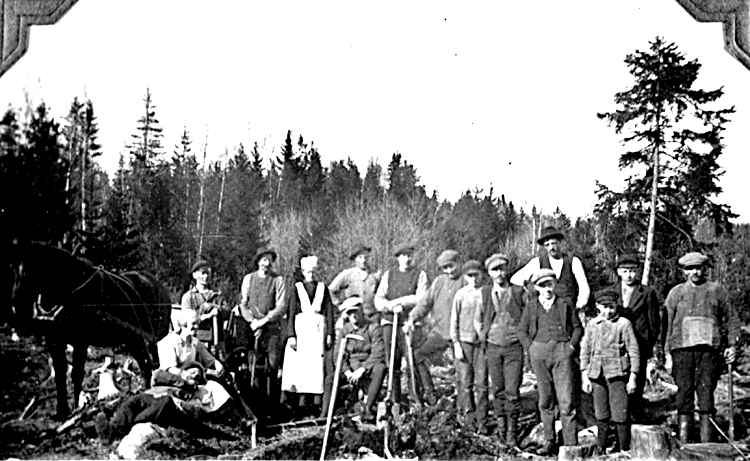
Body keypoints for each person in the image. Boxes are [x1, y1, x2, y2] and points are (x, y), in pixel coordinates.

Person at [664, 252, 740, 443]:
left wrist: (732, 345)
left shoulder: (717, 290)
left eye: (698, 268)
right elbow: (667, 325)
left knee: (706, 396)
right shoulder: (676, 293)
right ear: (684, 271)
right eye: (690, 269)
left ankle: (708, 444)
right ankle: (685, 443)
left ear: (704, 269)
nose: (695, 272)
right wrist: (667, 354)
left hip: (708, 353)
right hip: (682, 351)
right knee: (684, 396)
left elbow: (732, 319)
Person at [517, 268, 583, 456]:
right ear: (536, 288)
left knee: (566, 399)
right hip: (539, 353)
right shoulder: (531, 306)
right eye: (542, 285)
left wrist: (570, 347)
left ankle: (570, 443)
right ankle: (549, 440)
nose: (547, 289)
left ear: (555, 285)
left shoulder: (565, 303)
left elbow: (578, 328)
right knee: (545, 399)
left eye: (550, 284)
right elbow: (521, 330)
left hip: (562, 353)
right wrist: (531, 348)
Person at [474, 253, 526, 446]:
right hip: (493, 347)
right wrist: (483, 336)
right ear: (489, 273)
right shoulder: (485, 293)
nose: (499, 273)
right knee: (497, 390)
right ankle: (501, 428)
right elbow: (477, 319)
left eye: (502, 269)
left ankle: (512, 431)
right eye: (495, 270)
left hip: (514, 347)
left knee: (512, 390)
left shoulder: (518, 292)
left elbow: (528, 316)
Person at [403, 249, 466, 406]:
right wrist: (412, 319)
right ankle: (429, 392)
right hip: (440, 331)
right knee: (417, 355)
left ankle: (462, 405)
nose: (449, 271)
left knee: (462, 370)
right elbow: (425, 303)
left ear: (458, 263)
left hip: (460, 334)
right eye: (445, 268)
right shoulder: (439, 282)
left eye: (451, 266)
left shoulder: (466, 281)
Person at [581, 289, 640, 455]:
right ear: (597, 306)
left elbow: (633, 351)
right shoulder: (592, 325)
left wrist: (633, 377)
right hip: (597, 374)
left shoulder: (624, 324)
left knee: (620, 412)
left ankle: (623, 448)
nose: (608, 311)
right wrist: (585, 375)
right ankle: (601, 447)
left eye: (611, 307)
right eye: (604, 307)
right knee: (601, 413)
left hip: (617, 374)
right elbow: (585, 350)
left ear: (616, 306)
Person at [608, 253, 661, 422]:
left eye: (632, 271)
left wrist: (647, 343)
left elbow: (654, 322)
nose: (629, 275)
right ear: (618, 272)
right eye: (625, 271)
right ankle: (619, 421)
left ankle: (635, 419)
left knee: (636, 383)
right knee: (618, 383)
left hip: (639, 344)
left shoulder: (647, 292)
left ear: (637, 271)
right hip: (615, 345)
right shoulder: (611, 292)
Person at [374, 244, 429, 405]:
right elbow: (379, 300)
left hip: (410, 323)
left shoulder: (420, 274)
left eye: (409, 255)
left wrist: (400, 302)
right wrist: (390, 307)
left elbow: (421, 298)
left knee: (412, 360)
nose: (407, 259)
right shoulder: (389, 274)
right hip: (390, 322)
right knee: (392, 362)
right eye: (403, 255)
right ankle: (394, 400)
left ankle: (414, 398)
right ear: (398, 258)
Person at [237, 245, 287, 417]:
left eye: (270, 260)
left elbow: (281, 306)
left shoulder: (278, 280)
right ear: (258, 261)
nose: (267, 263)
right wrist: (252, 322)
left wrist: (264, 321)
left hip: (271, 328)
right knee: (252, 365)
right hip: (251, 328)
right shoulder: (248, 279)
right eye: (264, 260)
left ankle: (272, 408)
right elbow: (243, 303)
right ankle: (253, 406)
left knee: (272, 365)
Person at [282, 255, 335, 418]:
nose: (310, 274)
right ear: (303, 272)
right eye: (307, 272)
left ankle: (316, 404)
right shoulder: (297, 288)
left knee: (316, 367)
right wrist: (291, 335)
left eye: (313, 272)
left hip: (318, 331)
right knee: (302, 367)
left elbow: (329, 312)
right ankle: (301, 404)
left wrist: (329, 333)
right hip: (302, 331)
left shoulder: (322, 288)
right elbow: (291, 312)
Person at [155, 309, 231, 414]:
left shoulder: (194, 342)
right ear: (183, 324)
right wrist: (186, 375)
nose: (196, 326)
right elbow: (170, 369)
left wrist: (217, 364)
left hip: (192, 378)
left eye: (197, 323)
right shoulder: (169, 342)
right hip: (175, 380)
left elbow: (209, 359)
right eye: (193, 323)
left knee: (217, 387)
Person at [510, 226, 590, 314]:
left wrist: (578, 307)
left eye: (554, 243)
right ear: (544, 247)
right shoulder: (538, 262)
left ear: (560, 242)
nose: (551, 247)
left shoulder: (573, 261)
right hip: (546, 311)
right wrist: (531, 291)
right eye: (547, 245)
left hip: (569, 309)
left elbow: (584, 287)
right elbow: (515, 279)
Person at [450, 260, 489, 434]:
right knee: (465, 383)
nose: (474, 279)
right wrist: (456, 343)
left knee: (482, 384)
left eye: (476, 275)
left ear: (482, 275)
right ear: (465, 277)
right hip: (464, 343)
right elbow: (454, 321)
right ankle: (469, 419)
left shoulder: (486, 293)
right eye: (470, 276)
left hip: (481, 345)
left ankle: (482, 421)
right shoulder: (460, 295)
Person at [333, 297, 387, 422]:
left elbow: (378, 353)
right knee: (330, 379)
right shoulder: (345, 331)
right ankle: (328, 413)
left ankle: (367, 408)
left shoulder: (373, 328)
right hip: (350, 369)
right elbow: (338, 355)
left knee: (380, 369)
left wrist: (362, 370)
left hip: (367, 367)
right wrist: (347, 372)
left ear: (361, 311)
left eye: (355, 311)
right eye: (349, 313)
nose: (353, 315)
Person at [180, 259, 231, 359]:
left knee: (219, 365)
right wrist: (207, 316)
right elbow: (186, 321)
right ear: (194, 275)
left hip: (217, 342)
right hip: (196, 341)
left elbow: (228, 313)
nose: (206, 276)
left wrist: (216, 308)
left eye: (208, 273)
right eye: (203, 273)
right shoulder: (189, 297)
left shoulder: (216, 295)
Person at [328, 244, 382, 325]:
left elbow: (382, 294)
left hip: (372, 317)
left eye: (365, 257)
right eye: (360, 257)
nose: (363, 260)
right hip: (353, 318)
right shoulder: (348, 274)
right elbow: (331, 290)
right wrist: (339, 305)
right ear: (355, 259)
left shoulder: (375, 275)